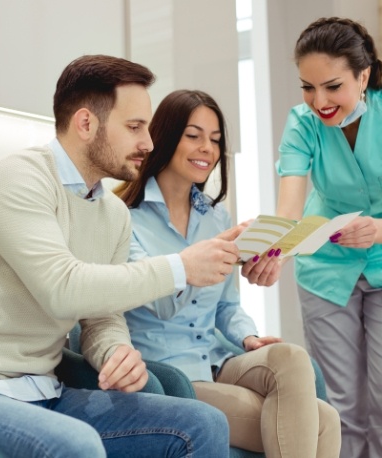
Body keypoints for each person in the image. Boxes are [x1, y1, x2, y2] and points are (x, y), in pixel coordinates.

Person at [0, 55, 240, 458]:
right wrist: (181, 267)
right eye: (135, 127)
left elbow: (101, 316)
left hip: (47, 389)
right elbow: (63, 289)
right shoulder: (17, 178)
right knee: (77, 444)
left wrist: (115, 352)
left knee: (203, 423)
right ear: (86, 124)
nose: (149, 143)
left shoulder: (113, 214)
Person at [115, 89, 341, 458]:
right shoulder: (124, 217)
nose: (207, 147)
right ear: (165, 136)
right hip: (170, 373)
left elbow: (227, 306)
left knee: (292, 358)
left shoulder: (216, 217)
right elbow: (161, 305)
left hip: (218, 358)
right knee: (324, 422)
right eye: (194, 135)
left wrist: (247, 337)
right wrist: (204, 256)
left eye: (215, 140)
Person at [274, 17, 382, 458]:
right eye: (307, 88)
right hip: (326, 266)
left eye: (332, 87)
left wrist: (375, 231)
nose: (319, 102)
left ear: (363, 75)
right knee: (340, 408)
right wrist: (270, 250)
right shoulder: (301, 123)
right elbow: (288, 212)